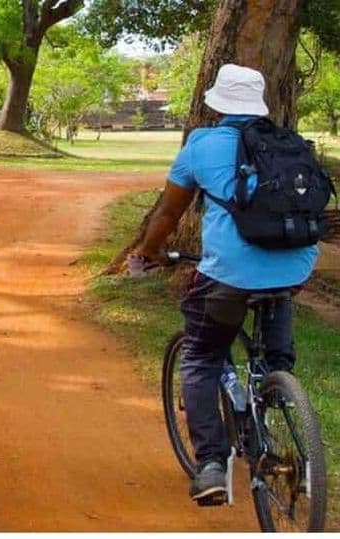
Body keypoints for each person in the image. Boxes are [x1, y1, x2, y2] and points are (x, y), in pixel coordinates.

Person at [132, 64, 318, 503]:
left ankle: (212, 465)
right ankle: (279, 403)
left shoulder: (201, 144)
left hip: (230, 275)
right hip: (296, 267)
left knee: (200, 357)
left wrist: (149, 250)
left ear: (218, 104)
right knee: (274, 355)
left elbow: (169, 212)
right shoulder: (289, 143)